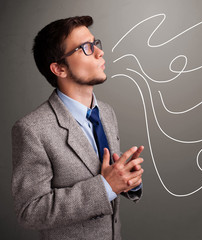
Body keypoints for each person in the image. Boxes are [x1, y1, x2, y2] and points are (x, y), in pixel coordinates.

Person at [11, 16, 144, 240]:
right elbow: (30, 212)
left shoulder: (107, 112)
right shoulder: (31, 130)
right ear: (59, 69)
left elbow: (110, 178)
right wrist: (105, 186)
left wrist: (127, 181)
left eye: (96, 43)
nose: (100, 53)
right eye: (86, 48)